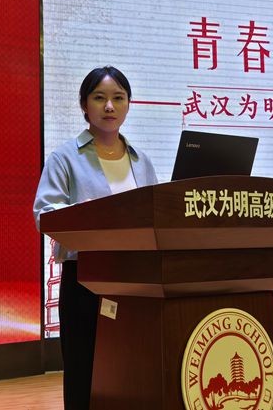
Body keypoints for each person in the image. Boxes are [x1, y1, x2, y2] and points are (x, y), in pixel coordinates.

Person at [33, 66, 158, 410]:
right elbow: (44, 214)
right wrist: (89, 214)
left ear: (129, 104)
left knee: (132, 367)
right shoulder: (65, 158)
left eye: (119, 98)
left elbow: (156, 213)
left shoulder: (141, 161)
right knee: (84, 369)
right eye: (99, 98)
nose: (109, 106)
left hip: (136, 279)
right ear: (84, 105)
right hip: (86, 278)